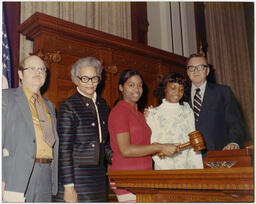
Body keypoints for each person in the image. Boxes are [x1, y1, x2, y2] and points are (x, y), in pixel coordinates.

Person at [108, 69, 179, 202]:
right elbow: (126, 150)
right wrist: (159, 147)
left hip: (143, 178)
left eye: (139, 85)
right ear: (121, 88)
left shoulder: (139, 114)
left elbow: (143, 144)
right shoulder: (119, 112)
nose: (137, 89)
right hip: (127, 179)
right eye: (131, 85)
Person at [54, 57, 113, 202]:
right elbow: (64, 149)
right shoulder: (69, 106)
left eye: (94, 78)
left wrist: (120, 160)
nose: (90, 83)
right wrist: (68, 186)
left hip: (99, 175)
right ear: (76, 80)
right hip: (77, 176)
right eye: (85, 78)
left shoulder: (103, 104)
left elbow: (104, 143)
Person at [2, 55, 59, 202]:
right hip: (15, 177)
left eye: (42, 69)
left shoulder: (50, 106)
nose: (38, 72)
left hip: (46, 176)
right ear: (20, 74)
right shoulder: (6, 98)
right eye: (32, 68)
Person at [186, 53, 245, 156]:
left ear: (207, 71)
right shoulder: (181, 96)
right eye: (191, 67)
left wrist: (233, 142)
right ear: (187, 72)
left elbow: (234, 122)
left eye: (200, 67)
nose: (195, 71)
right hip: (188, 157)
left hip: (218, 154)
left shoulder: (223, 92)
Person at [146, 72, 203, 170]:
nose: (177, 93)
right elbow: (153, 146)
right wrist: (169, 171)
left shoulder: (187, 110)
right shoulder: (153, 114)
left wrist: (198, 168)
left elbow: (194, 143)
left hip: (188, 167)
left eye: (181, 89)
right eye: (173, 88)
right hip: (164, 168)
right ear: (164, 88)